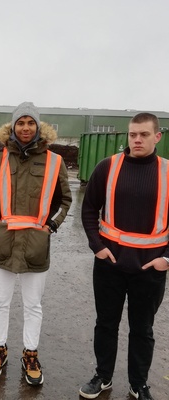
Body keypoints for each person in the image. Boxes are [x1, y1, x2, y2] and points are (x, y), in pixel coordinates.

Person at [0, 102, 72, 385]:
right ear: (13, 126)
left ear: (39, 127)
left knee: (33, 305)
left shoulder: (55, 161)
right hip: (3, 242)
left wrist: (50, 225)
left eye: (31, 122)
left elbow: (65, 199)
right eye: (21, 123)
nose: (26, 128)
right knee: (0, 302)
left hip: (35, 244)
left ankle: (30, 354)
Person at [80, 113, 168, 400]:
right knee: (106, 323)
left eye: (143, 134)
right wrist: (97, 246)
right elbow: (89, 209)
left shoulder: (168, 173)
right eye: (133, 135)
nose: (137, 140)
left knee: (142, 329)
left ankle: (138, 384)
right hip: (109, 264)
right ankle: (103, 376)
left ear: (158, 136)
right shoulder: (108, 167)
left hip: (150, 269)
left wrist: (166, 259)